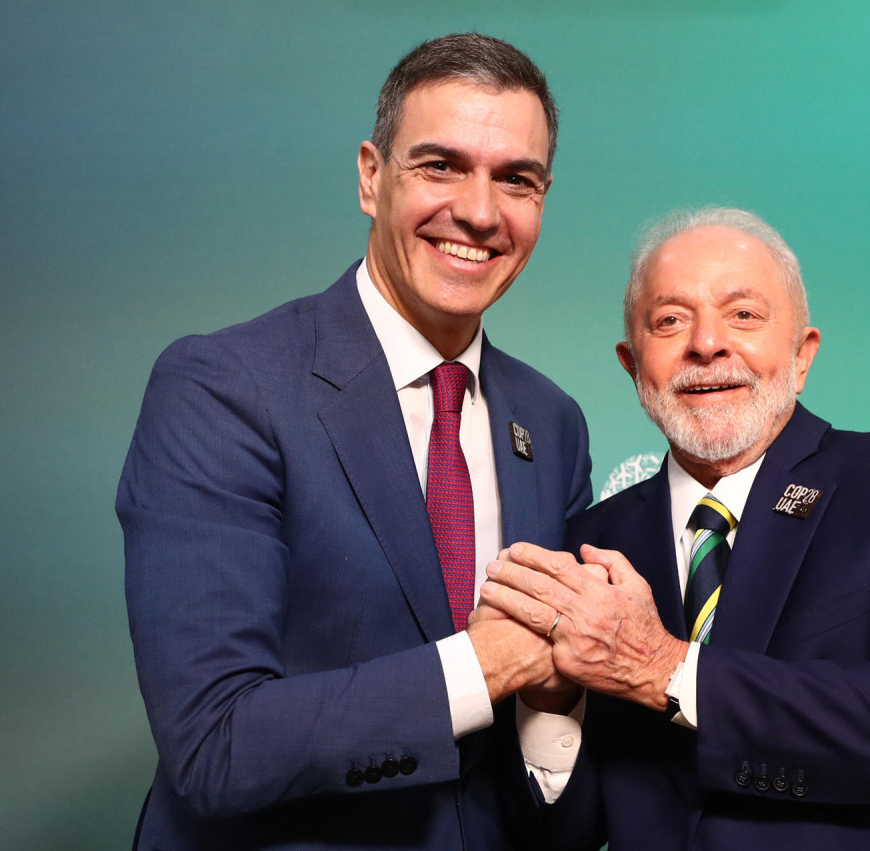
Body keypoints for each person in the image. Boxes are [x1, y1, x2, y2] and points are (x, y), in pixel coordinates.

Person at [116, 33, 591, 850]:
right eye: (440, 166)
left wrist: (553, 707)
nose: (479, 211)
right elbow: (213, 742)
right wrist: (484, 666)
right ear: (372, 176)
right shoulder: (224, 386)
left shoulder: (551, 421)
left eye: (516, 179)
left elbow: (539, 732)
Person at [480, 207, 870, 849]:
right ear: (633, 367)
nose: (707, 343)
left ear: (802, 355)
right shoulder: (588, 547)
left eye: (743, 315)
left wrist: (662, 667)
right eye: (670, 320)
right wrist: (552, 704)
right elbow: (561, 831)